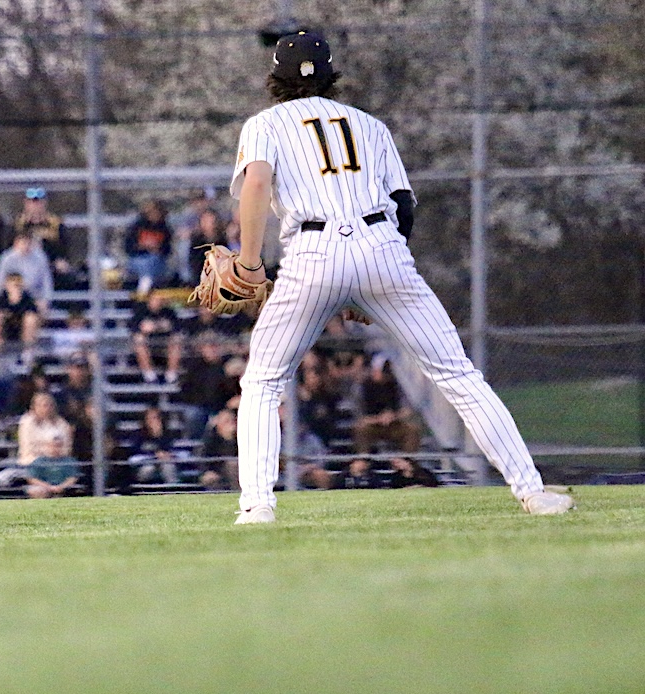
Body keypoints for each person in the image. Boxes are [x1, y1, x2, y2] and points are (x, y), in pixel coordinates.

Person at [229, 31, 572, 522]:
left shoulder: (264, 124)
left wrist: (249, 262)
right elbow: (403, 208)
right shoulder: (371, 126)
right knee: (457, 374)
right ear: (331, 75)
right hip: (382, 246)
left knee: (263, 382)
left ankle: (258, 506)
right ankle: (533, 491)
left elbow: (257, 183)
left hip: (311, 251)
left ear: (275, 79)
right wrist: (368, 284)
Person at [352, 355, 422, 454]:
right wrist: (378, 419)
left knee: (412, 430)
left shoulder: (396, 386)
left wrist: (393, 416)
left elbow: (408, 410)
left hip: (394, 423)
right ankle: (363, 460)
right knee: (361, 429)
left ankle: (408, 462)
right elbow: (359, 417)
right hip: (372, 425)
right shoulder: (361, 388)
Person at [14, 187, 74, 287]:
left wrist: (60, 261)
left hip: (51, 268)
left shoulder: (56, 224)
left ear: (44, 203)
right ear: (26, 203)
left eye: (38, 202)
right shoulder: (18, 225)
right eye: (32, 202)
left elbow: (65, 250)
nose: (35, 206)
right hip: (23, 267)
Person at [130, 288, 183, 384]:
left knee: (176, 340)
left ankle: (171, 376)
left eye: (161, 299)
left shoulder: (169, 312)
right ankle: (149, 376)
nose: (158, 301)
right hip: (147, 346)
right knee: (139, 340)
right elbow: (135, 330)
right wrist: (161, 326)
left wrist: (154, 326)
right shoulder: (140, 311)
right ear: (150, 298)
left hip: (165, 346)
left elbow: (176, 329)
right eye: (156, 298)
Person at [0, 230, 53, 315]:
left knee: (34, 315)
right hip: (10, 297)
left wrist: (46, 300)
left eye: (28, 242)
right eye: (23, 242)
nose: (26, 246)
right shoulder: (6, 258)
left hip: (32, 298)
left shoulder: (40, 258)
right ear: (16, 243)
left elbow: (47, 282)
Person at [123, 199, 173, 295]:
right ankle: (145, 285)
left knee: (153, 259)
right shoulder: (137, 226)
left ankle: (144, 287)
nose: (155, 215)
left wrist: (157, 248)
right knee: (146, 262)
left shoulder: (164, 228)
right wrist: (144, 247)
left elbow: (167, 250)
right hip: (138, 259)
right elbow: (129, 248)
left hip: (158, 262)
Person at [124, 406, 181, 485]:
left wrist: (158, 435)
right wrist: (154, 455)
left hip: (164, 462)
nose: (153, 421)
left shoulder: (167, 434)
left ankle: (173, 490)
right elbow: (134, 454)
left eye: (156, 418)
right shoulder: (138, 435)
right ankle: (142, 490)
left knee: (168, 466)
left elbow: (171, 450)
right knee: (148, 469)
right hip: (144, 464)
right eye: (149, 418)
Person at [16, 391, 72, 467]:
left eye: (50, 405)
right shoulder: (27, 423)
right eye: (44, 405)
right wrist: (49, 450)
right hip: (33, 460)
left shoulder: (62, 423)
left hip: (59, 460)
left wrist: (56, 452)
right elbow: (28, 448)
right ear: (34, 407)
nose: (47, 408)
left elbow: (67, 447)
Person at [25, 434, 80, 499]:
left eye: (59, 446)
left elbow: (73, 478)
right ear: (47, 446)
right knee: (35, 491)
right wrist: (48, 487)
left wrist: (61, 487)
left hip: (65, 488)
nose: (56, 448)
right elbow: (32, 478)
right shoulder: (39, 461)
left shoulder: (69, 461)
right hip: (43, 488)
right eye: (53, 445)